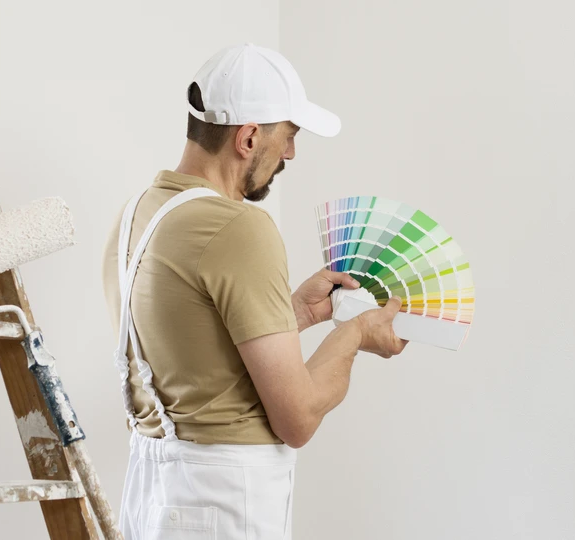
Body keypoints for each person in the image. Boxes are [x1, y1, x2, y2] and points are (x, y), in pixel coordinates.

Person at [102, 43, 407, 540]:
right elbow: (298, 418)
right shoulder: (239, 228)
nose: (290, 153)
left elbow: (191, 350)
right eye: (287, 136)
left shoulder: (134, 215)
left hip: (151, 496)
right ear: (248, 137)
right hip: (222, 505)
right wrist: (354, 335)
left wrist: (294, 315)